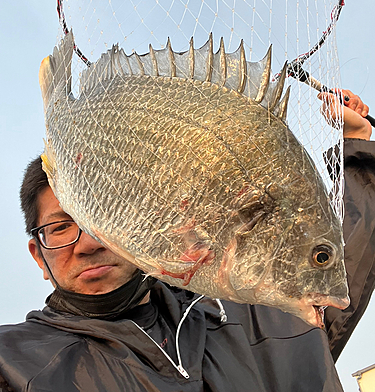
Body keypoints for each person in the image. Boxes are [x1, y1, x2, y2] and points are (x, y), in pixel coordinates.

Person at [0, 90, 374, 392]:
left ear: (133, 219)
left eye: (96, 215)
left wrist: (356, 142)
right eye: (61, 227)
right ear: (37, 255)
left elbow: (329, 277)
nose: (87, 243)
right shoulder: (12, 362)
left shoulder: (250, 312)